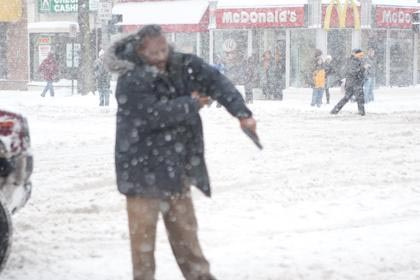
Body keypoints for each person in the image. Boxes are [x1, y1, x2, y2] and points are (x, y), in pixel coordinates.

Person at [104, 24, 257, 280]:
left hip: (176, 173)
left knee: (188, 245)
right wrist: (192, 103)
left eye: (164, 49)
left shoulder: (182, 65)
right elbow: (151, 115)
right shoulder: (130, 79)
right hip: (140, 178)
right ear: (141, 51)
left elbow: (216, 81)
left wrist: (242, 113)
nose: (161, 57)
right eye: (155, 53)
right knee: (143, 253)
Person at [331, 49, 367, 116]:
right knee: (359, 98)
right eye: (360, 55)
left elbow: (358, 72)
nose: (362, 56)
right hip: (354, 83)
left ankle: (335, 110)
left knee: (347, 98)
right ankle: (362, 112)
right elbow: (353, 72)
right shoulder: (353, 61)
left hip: (354, 82)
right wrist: (363, 68)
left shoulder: (357, 61)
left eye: (362, 55)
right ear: (356, 55)